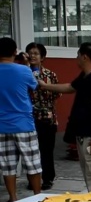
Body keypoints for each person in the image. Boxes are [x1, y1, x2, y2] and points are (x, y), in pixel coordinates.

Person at [39, 42, 91, 196]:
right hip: (83, 136)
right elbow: (69, 87)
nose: (76, 58)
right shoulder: (85, 76)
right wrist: (45, 86)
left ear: (84, 57)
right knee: (89, 175)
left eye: (78, 55)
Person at [0, 37, 43, 202]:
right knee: (32, 163)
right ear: (14, 52)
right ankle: (37, 197)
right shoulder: (23, 71)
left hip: (2, 125)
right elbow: (35, 84)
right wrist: (27, 65)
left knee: (8, 165)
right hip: (24, 124)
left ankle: (12, 197)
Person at [27, 42, 60, 191]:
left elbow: (57, 93)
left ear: (42, 57)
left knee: (46, 150)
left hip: (47, 117)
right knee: (31, 151)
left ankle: (47, 178)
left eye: (36, 53)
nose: (32, 56)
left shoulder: (50, 75)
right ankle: (33, 179)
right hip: (29, 117)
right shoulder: (24, 73)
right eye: (30, 53)